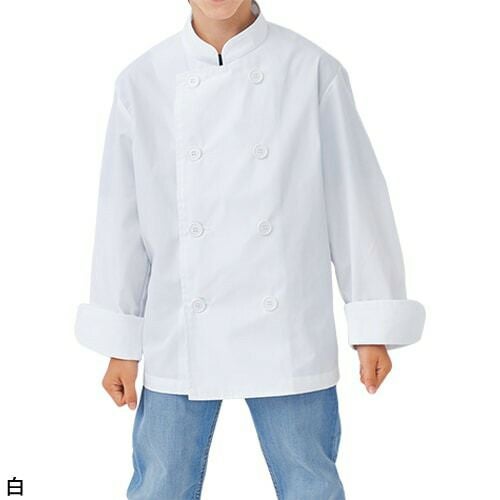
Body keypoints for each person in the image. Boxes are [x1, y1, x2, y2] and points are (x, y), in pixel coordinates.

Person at [75, 1, 425, 498]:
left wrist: (372, 325)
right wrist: (121, 343)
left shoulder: (312, 70)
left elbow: (355, 200)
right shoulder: (142, 81)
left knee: (310, 482)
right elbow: (121, 220)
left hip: (288, 331)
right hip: (179, 331)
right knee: (161, 483)